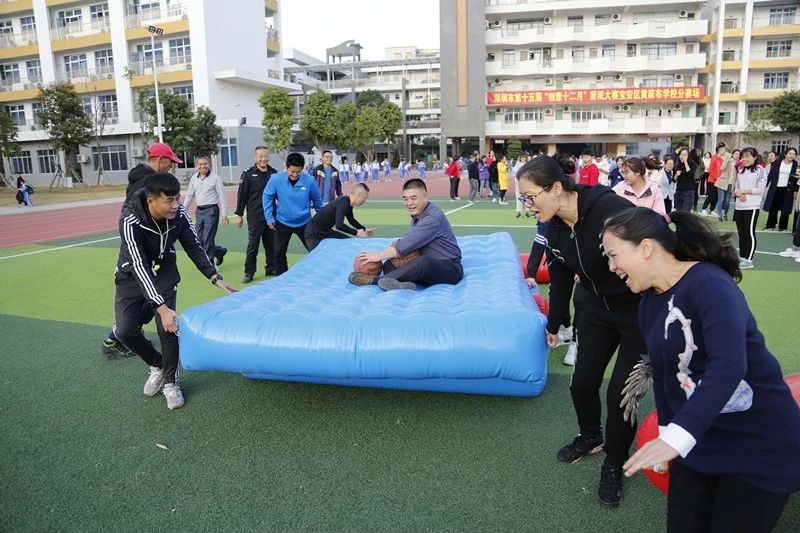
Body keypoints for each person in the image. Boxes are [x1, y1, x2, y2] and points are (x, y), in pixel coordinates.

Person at [602, 207, 800, 533]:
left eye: (614, 255)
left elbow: (729, 364)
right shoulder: (650, 303)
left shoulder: (710, 284)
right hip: (699, 443)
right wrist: (667, 434)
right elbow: (665, 376)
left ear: (647, 247)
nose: (611, 267)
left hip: (759, 444)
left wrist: (678, 436)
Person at [517, 156, 647, 507]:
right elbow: (559, 280)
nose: (527, 206)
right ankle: (591, 435)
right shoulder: (554, 227)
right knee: (583, 382)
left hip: (638, 312)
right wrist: (555, 322)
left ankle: (614, 463)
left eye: (530, 197)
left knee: (621, 395)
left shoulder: (609, 209)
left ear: (556, 188)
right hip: (594, 310)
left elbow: (656, 245)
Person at [113, 172, 236, 410]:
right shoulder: (129, 220)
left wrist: (214, 276)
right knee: (124, 331)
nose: (176, 205)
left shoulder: (179, 215)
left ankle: (171, 382)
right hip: (132, 274)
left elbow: (194, 246)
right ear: (151, 201)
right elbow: (138, 265)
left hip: (165, 273)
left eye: (177, 198)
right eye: (169, 201)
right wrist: (160, 307)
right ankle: (157, 364)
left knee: (168, 329)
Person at [100, 142, 184, 359]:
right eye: (170, 163)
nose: (170, 168)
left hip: (145, 251)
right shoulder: (146, 185)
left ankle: (117, 336)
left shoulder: (143, 180)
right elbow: (138, 219)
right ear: (161, 160)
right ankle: (116, 338)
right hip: (140, 253)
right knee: (147, 300)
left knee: (146, 301)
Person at [349, 178, 463, 291]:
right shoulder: (419, 214)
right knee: (389, 264)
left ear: (426, 197)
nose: (409, 203)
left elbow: (403, 247)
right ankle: (403, 282)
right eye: (405, 199)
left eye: (414, 198)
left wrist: (378, 255)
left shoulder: (432, 217)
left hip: (450, 268)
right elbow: (410, 242)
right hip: (428, 265)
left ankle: (376, 281)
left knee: (424, 262)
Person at [263, 152, 323, 275]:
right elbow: (267, 197)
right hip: (282, 222)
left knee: (315, 250)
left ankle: (319, 273)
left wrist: (322, 220)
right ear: (286, 167)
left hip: (305, 223)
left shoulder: (310, 181)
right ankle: (282, 277)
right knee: (279, 252)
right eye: (292, 172)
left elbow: (317, 202)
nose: (295, 175)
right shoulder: (275, 179)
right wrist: (269, 218)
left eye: (298, 172)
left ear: (302, 169)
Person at [234, 146, 278, 284]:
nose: (263, 159)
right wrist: (239, 214)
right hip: (255, 216)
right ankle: (249, 272)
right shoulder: (247, 174)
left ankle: (271, 268)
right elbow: (242, 195)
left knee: (271, 244)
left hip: (271, 215)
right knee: (253, 246)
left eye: (265, 156)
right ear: (255, 158)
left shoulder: (274, 173)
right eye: (260, 156)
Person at [182, 155, 228, 267]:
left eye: (205, 164)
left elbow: (222, 196)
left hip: (211, 210)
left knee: (208, 238)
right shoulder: (194, 178)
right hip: (199, 211)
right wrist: (182, 210)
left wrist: (224, 213)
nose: (203, 166)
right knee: (199, 239)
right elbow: (189, 195)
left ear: (209, 164)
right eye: (200, 164)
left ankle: (210, 265)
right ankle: (219, 251)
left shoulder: (215, 178)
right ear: (197, 165)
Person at [305, 183, 373, 251]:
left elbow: (351, 220)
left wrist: (364, 229)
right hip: (313, 234)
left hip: (326, 232)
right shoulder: (343, 203)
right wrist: (356, 232)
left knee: (351, 243)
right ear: (358, 195)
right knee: (318, 257)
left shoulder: (348, 204)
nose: (365, 201)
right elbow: (339, 225)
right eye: (364, 198)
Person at [733, 147, 768, 270]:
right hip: (739, 206)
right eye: (743, 156)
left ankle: (749, 260)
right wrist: (738, 193)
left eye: (748, 156)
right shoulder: (741, 170)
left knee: (749, 233)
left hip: (752, 207)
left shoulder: (760, 170)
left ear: (755, 157)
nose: (745, 159)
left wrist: (744, 191)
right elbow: (736, 187)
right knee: (741, 233)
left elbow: (760, 190)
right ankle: (742, 257)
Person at [762, 147, 798, 232]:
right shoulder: (777, 162)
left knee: (786, 207)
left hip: (789, 189)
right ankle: (770, 225)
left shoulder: (796, 164)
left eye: (794, 154)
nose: (791, 156)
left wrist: (796, 190)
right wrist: (765, 185)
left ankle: (783, 227)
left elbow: (797, 179)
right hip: (775, 188)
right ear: (785, 154)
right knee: (773, 207)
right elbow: (770, 175)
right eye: (790, 154)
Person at [701, 144, 725, 217]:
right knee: (711, 195)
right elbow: (710, 170)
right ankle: (703, 209)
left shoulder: (722, 159)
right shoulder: (714, 158)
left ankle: (712, 210)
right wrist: (716, 179)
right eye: (723, 149)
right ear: (719, 150)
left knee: (717, 196)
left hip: (719, 181)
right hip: (712, 180)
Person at [714, 147, 736, 222]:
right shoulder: (728, 160)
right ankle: (719, 215)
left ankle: (724, 214)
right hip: (722, 182)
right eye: (736, 154)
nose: (737, 155)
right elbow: (722, 168)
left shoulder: (739, 163)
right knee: (721, 199)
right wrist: (727, 158)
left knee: (727, 201)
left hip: (731, 184)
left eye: (739, 154)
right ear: (732, 154)